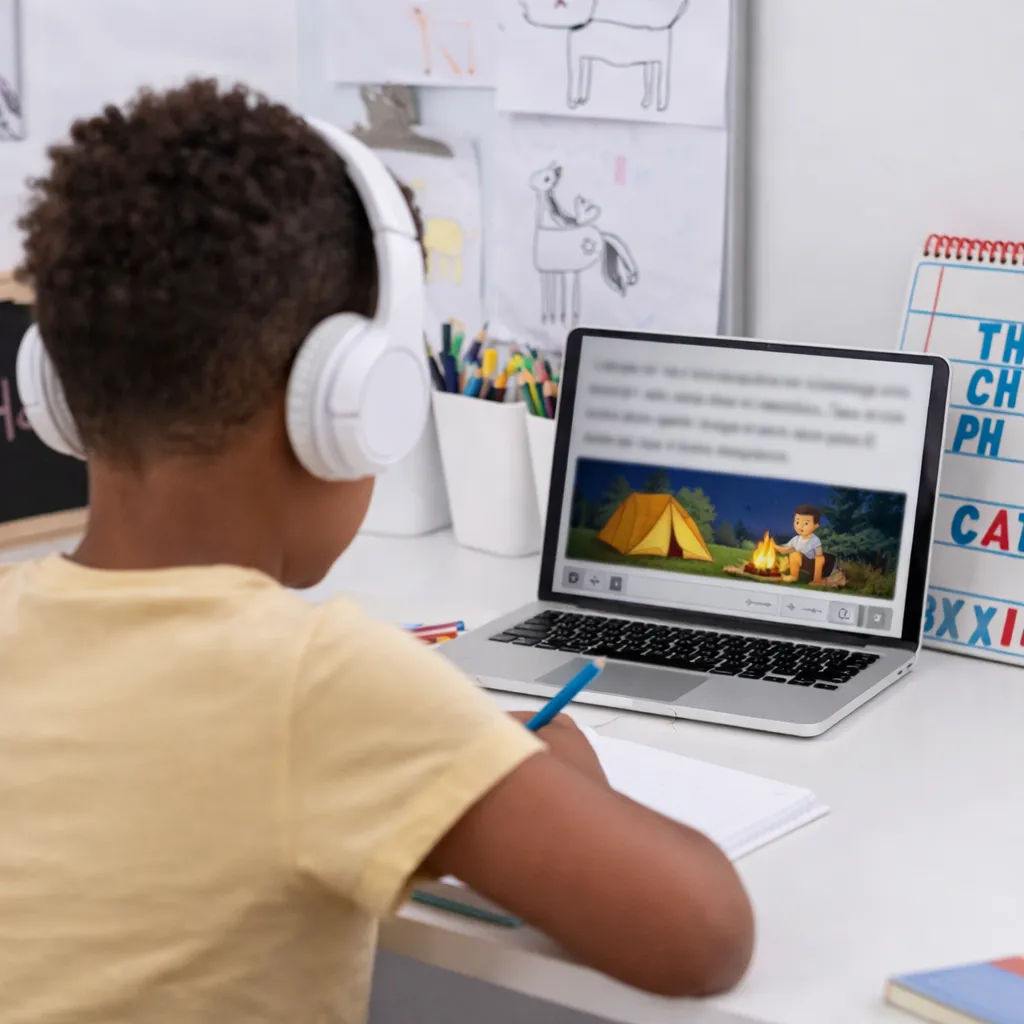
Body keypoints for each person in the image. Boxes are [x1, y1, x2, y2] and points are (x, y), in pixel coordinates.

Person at [0, 80, 753, 1023]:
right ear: (346, 402)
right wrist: (538, 771)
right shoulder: (319, 685)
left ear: (60, 390)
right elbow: (703, 933)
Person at [776, 504, 827, 585]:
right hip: (799, 566)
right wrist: (773, 546)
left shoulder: (815, 540)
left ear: (816, 525)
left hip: (810, 567)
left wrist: (817, 579)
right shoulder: (796, 539)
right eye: (797, 522)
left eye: (806, 523)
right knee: (789, 556)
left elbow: (820, 559)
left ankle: (793, 576)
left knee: (795, 554)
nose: (800, 526)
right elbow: (785, 549)